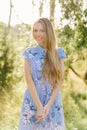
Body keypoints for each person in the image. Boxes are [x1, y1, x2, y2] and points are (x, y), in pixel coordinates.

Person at [18, 17, 66, 130]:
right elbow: (29, 81)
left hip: (53, 103)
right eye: (35, 30)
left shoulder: (59, 53)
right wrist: (39, 106)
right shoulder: (29, 54)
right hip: (33, 101)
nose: (37, 34)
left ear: (48, 31)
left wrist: (48, 106)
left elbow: (59, 82)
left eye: (41, 30)